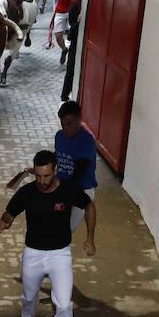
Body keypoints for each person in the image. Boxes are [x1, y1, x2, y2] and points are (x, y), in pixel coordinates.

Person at [0, 150, 96, 317]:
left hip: (60, 255)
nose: (42, 181)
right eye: (38, 176)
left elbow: (89, 206)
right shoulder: (27, 193)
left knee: (63, 303)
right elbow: (9, 213)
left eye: (47, 176)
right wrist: (3, 223)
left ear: (55, 171)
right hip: (33, 253)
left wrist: (90, 237)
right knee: (29, 295)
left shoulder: (69, 190)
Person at [54, 100, 96, 233]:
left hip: (81, 190)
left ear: (79, 119)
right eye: (63, 124)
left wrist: (65, 192)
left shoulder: (86, 141)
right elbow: (57, 158)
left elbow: (80, 169)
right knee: (56, 225)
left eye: (69, 124)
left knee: (66, 230)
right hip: (62, 187)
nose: (65, 128)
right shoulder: (59, 136)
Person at [52, 0, 83, 65]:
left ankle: (73, 55)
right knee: (58, 36)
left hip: (75, 10)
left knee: (73, 34)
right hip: (61, 9)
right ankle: (64, 49)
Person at [60, 0, 82, 102]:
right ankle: (64, 96)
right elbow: (70, 33)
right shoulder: (73, 10)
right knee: (70, 72)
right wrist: (78, 23)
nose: (72, 0)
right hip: (74, 45)